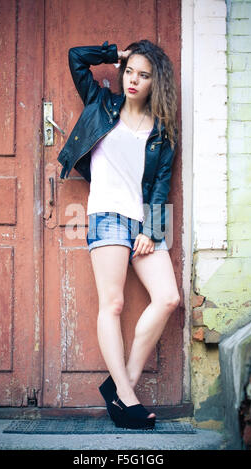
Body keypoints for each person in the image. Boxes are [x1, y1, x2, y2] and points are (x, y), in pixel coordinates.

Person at [57, 40, 180, 429]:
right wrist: (116, 54)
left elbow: (162, 183)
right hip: (107, 215)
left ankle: (118, 384)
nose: (133, 80)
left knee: (168, 298)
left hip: (142, 220)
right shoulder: (100, 101)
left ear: (154, 82)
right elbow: (76, 56)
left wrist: (152, 229)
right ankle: (126, 398)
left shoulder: (162, 129)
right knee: (112, 304)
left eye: (144, 75)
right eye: (130, 72)